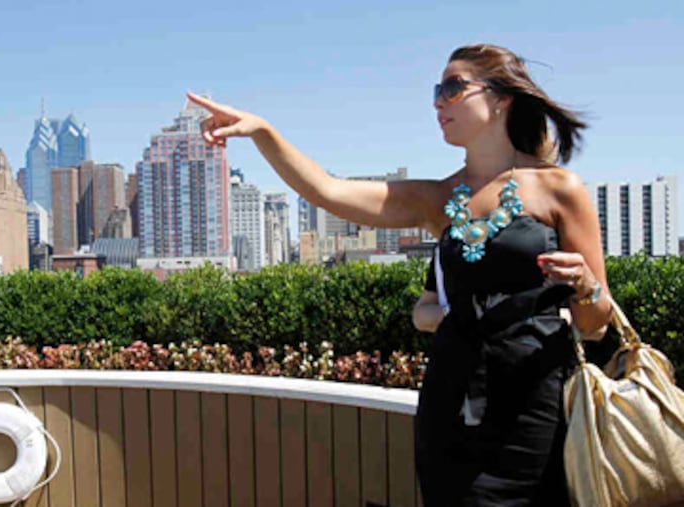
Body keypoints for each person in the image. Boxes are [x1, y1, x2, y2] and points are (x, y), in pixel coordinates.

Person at [187, 43, 613, 506]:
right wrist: (263, 131)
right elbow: (328, 191)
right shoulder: (438, 197)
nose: (437, 102)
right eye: (436, 90)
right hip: (450, 403)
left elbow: (596, 324)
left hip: (534, 406)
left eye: (452, 88)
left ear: (501, 97)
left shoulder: (559, 190)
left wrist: (586, 287)